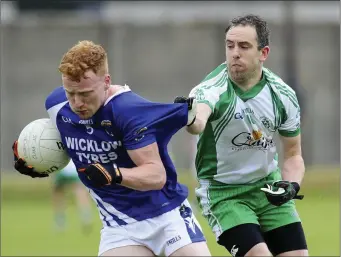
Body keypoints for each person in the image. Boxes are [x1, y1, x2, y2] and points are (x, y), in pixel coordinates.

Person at [12, 40, 211, 257]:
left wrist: (114, 173)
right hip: (119, 224)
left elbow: (156, 175)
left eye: (85, 94)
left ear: (106, 81)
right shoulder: (57, 106)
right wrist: (35, 159)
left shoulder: (127, 111)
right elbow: (64, 142)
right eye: (70, 93)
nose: (77, 103)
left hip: (166, 214)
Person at [174, 14, 308, 256]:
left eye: (244, 46)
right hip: (224, 194)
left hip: (268, 188)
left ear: (263, 53)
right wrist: (190, 116)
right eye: (230, 45)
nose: (235, 53)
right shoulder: (211, 89)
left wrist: (291, 185)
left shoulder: (282, 95)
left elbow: (293, 155)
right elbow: (198, 122)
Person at [51, 160, 93, 233]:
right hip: (72, 167)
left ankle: (60, 221)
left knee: (59, 193)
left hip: (62, 166)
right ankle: (86, 216)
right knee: (79, 191)